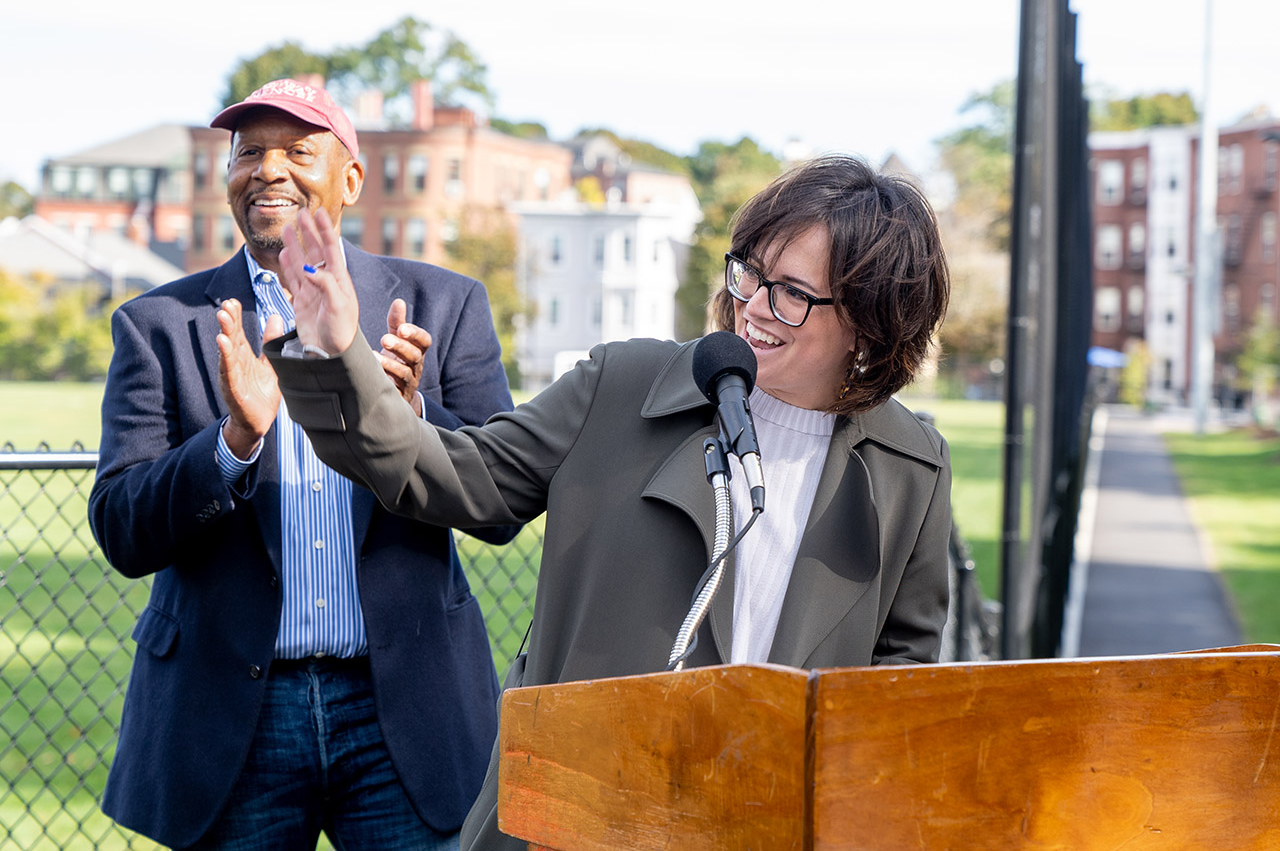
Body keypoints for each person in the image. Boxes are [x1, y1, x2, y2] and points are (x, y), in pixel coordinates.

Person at [266, 154, 953, 849]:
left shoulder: (910, 471)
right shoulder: (622, 385)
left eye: (792, 294)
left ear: (870, 323)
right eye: (750, 272)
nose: (754, 306)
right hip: (574, 819)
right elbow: (444, 472)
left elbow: (897, 686)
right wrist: (339, 356)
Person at [87, 78, 517, 850]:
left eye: (296, 151)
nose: (268, 169)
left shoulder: (442, 306)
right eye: (247, 153)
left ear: (351, 178)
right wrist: (233, 442)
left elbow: (499, 503)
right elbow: (122, 528)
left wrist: (409, 417)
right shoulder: (158, 325)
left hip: (403, 712)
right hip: (232, 718)